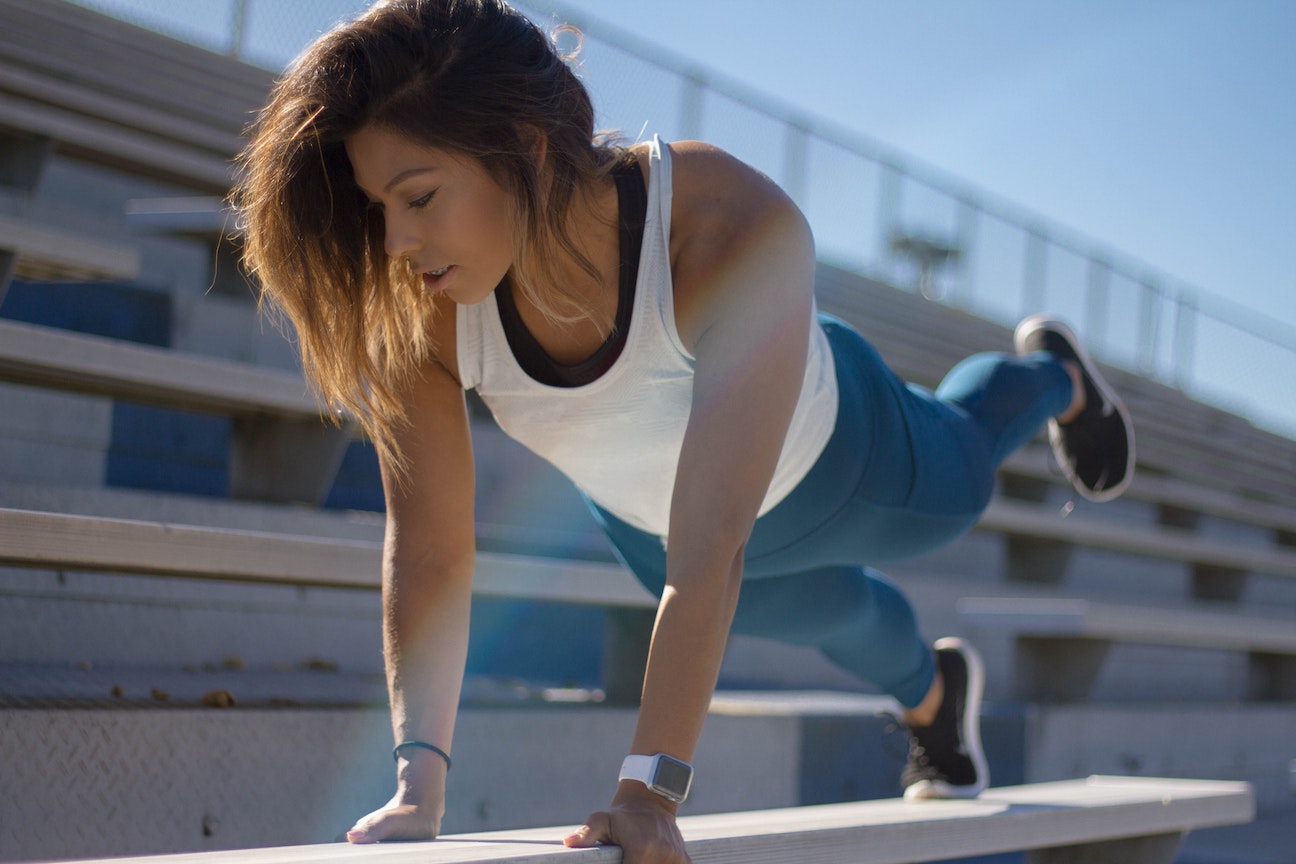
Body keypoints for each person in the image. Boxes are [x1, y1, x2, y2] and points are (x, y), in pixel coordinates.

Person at [233, 1, 1135, 861]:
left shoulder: (728, 227)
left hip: (839, 457)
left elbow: (711, 561)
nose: (393, 242)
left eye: (418, 197)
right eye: (376, 208)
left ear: (527, 150)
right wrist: (416, 784)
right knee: (838, 614)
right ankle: (937, 705)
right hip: (654, 530)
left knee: (965, 476)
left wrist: (648, 792)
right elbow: (431, 550)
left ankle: (1054, 378)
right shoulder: (420, 310)